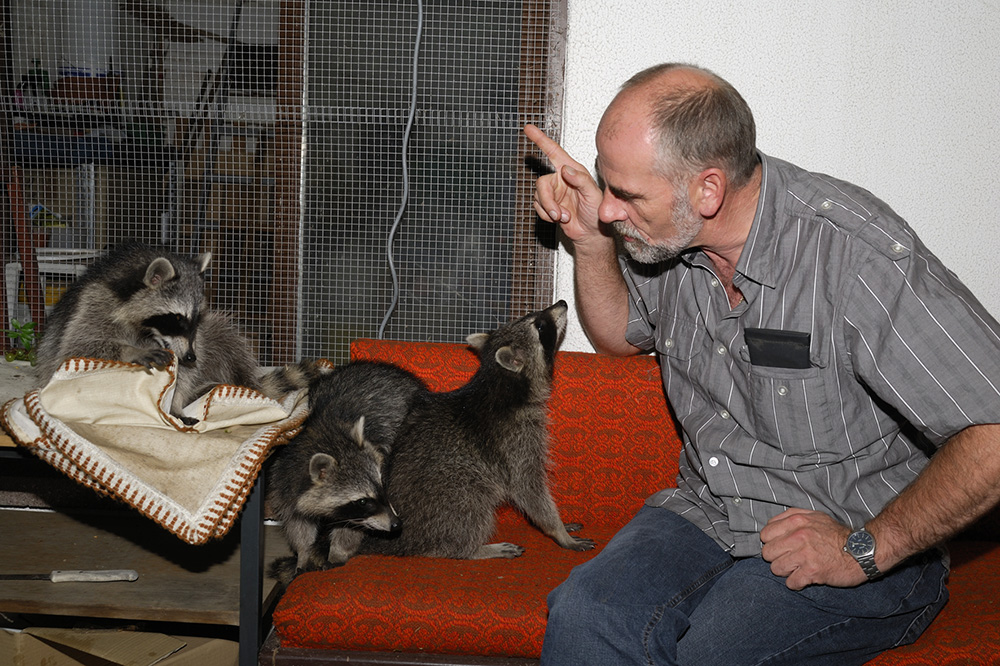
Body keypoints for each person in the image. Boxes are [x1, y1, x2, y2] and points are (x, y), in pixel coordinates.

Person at [524, 62, 1000, 665]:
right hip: (711, 511)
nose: (612, 210)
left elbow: (994, 429)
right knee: (587, 615)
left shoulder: (852, 256)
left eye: (627, 195)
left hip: (853, 533)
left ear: (707, 190)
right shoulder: (670, 241)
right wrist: (590, 242)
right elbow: (621, 335)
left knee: (713, 651)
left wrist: (868, 548)